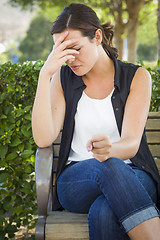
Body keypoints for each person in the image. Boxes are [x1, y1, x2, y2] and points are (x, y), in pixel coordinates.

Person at [32, 3, 160, 240]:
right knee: (108, 166)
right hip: (76, 182)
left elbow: (131, 144)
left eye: (75, 47)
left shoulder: (136, 77)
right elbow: (43, 137)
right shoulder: (62, 79)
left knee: (104, 209)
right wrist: (45, 75)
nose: (70, 58)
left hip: (135, 175)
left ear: (97, 36)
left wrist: (111, 149)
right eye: (61, 50)